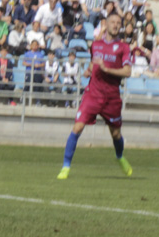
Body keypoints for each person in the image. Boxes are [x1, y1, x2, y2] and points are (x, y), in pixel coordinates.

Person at [57, 12, 134, 179]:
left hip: (112, 97)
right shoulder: (96, 45)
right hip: (93, 93)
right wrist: (89, 69)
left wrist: (107, 69)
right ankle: (65, 167)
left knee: (116, 134)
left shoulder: (124, 48)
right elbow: (94, 62)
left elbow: (127, 71)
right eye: (112, 22)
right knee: (77, 127)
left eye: (118, 23)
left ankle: (120, 157)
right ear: (106, 24)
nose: (115, 25)